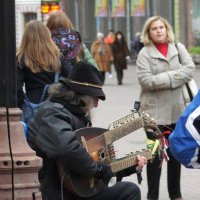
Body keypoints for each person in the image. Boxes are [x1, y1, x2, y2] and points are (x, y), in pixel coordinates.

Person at [27, 61, 147, 200]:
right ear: (81, 95)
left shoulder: (74, 113)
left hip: (76, 186)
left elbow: (92, 165)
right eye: (95, 97)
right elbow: (67, 149)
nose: (97, 104)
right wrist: (99, 170)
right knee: (130, 192)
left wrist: (127, 167)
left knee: (126, 190)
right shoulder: (53, 114)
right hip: (57, 191)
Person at [136, 16, 195, 200]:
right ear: (148, 32)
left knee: (175, 155)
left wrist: (163, 78)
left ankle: (175, 194)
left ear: (167, 29)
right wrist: (174, 78)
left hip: (177, 112)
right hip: (153, 115)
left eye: (162, 27)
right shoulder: (144, 53)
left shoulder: (178, 48)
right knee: (154, 158)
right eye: (154, 28)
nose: (159, 31)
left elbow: (190, 69)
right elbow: (145, 80)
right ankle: (152, 196)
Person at [17, 20, 61, 124]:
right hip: (54, 104)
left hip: (32, 106)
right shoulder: (57, 57)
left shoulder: (21, 59)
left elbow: (16, 88)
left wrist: (21, 104)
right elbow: (69, 79)